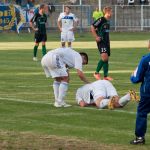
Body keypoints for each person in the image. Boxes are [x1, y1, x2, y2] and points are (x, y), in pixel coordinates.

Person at [130, 50, 150, 145]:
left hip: (148, 92)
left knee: (142, 113)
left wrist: (132, 77)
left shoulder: (146, 59)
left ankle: (140, 137)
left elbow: (137, 78)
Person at [91, 6, 113, 81]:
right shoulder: (101, 19)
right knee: (104, 58)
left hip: (106, 42)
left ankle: (105, 76)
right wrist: (96, 37)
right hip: (101, 41)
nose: (112, 13)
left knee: (106, 59)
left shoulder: (107, 22)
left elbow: (107, 33)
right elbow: (92, 26)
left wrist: (109, 41)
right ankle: (96, 73)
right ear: (107, 12)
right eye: (111, 12)